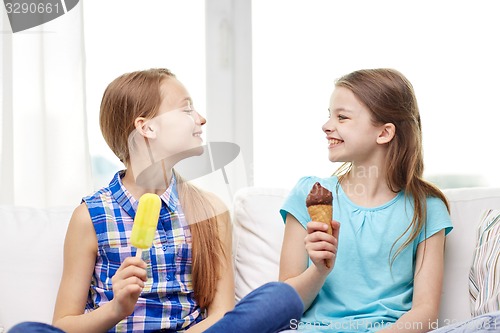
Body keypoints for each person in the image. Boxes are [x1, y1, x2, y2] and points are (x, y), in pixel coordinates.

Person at [8, 68, 303, 333]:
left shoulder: (210, 210)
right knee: (25, 331)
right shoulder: (91, 216)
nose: (201, 118)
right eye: (186, 109)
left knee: (281, 298)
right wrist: (116, 308)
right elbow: (64, 324)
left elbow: (222, 315)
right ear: (147, 127)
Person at [278, 68, 453, 332]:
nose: (327, 126)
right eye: (329, 115)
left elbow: (424, 312)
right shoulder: (310, 194)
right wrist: (319, 270)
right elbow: (285, 307)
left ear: (384, 133)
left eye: (342, 117)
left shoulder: (426, 208)